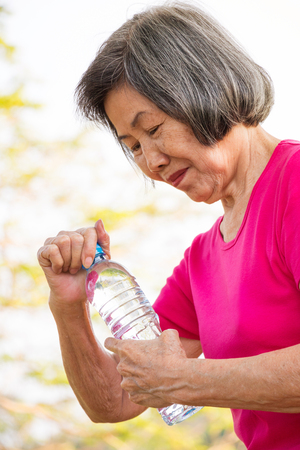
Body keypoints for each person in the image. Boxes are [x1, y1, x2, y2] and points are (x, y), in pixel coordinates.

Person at [37, 2, 300, 449]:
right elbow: (116, 401)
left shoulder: (293, 185)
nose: (151, 162)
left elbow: (173, 380)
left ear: (207, 88)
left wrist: (188, 381)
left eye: (154, 128)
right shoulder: (201, 261)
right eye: (134, 146)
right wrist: (67, 304)